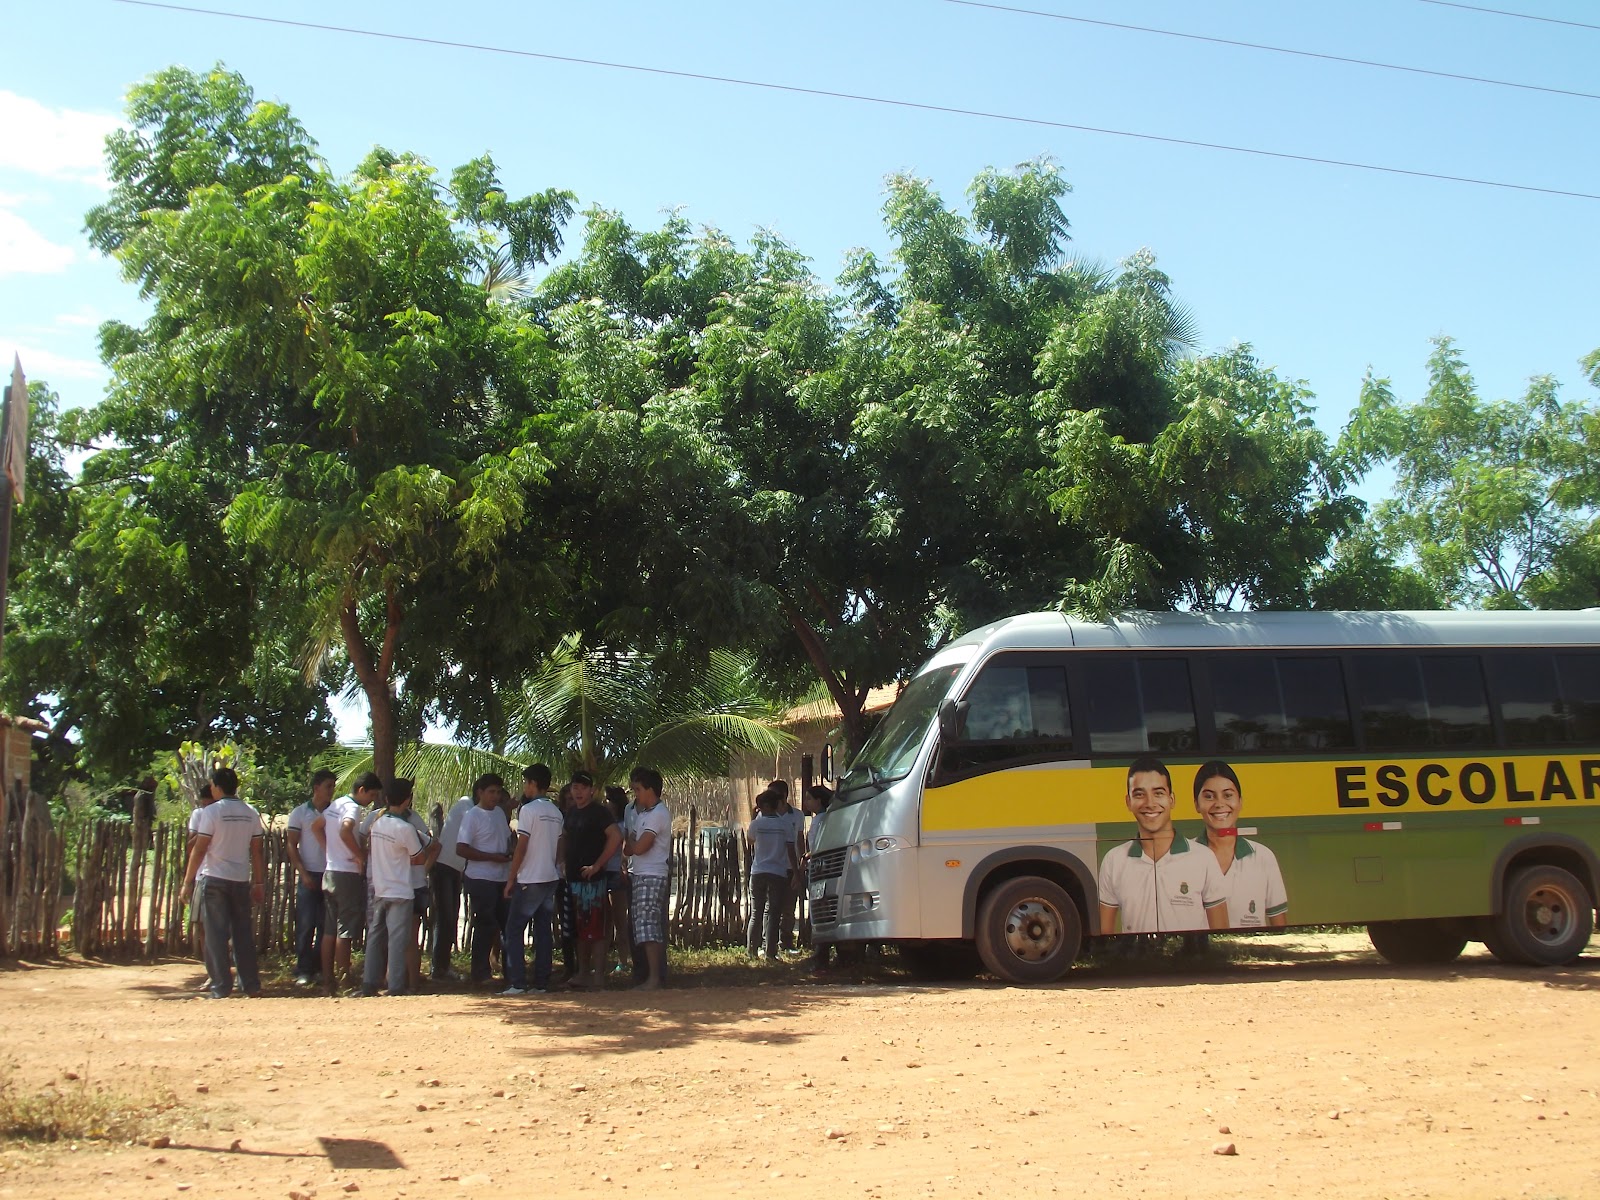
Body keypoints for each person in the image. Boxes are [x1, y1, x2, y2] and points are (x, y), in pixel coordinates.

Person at [1097, 755, 1229, 935]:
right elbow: (1105, 936)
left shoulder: (1203, 858)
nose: (1150, 803)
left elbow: (1222, 936)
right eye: (1139, 794)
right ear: (1128, 802)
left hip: (1192, 955)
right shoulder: (1114, 861)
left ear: (1171, 799)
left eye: (1158, 793)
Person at [180, 767, 265, 999]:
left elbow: (199, 848)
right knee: (242, 933)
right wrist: (259, 883)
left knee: (216, 935)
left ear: (217, 787)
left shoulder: (212, 812)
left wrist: (188, 881)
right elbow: (257, 851)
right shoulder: (250, 812)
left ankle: (220, 987)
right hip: (240, 879)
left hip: (215, 878)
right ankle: (251, 984)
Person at [1190, 760, 1288, 929]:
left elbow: (1280, 930)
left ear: (1240, 802)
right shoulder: (1183, 858)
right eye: (1209, 796)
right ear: (1197, 804)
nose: (1219, 804)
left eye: (1228, 795)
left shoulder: (1263, 857)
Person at [362, 778, 433, 997]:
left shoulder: (377, 823)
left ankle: (369, 982)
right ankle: (395, 985)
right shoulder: (406, 828)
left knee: (375, 936)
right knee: (397, 940)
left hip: (380, 887)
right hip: (401, 889)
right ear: (407, 800)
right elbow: (419, 858)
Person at [315, 771, 383, 996]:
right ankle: (345, 979)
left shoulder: (336, 804)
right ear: (361, 790)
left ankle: (328, 980)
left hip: (330, 871)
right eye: (371, 795)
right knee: (345, 929)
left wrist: (329, 851)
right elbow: (345, 831)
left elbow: (316, 826)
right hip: (347, 874)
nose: (371, 801)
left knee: (329, 929)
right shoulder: (352, 808)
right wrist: (359, 855)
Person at [501, 764, 563, 995]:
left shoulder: (528, 811)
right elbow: (559, 846)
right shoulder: (556, 812)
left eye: (526, 782)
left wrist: (511, 878)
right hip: (549, 876)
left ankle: (517, 982)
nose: (524, 787)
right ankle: (541, 983)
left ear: (533, 784)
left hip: (530, 877)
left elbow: (522, 846)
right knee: (543, 930)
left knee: (514, 929)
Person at [562, 771, 621, 989]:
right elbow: (564, 837)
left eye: (583, 787)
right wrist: (561, 862)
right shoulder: (571, 813)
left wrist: (598, 865)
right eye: (575, 787)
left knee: (597, 929)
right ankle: (583, 973)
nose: (578, 791)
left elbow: (616, 836)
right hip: (573, 879)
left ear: (592, 791)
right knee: (579, 930)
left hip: (594, 880)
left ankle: (598, 976)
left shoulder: (600, 812)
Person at [457, 772, 513, 986]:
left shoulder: (499, 813)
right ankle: (480, 973)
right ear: (480, 792)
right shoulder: (472, 815)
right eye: (491, 792)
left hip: (502, 876)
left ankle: (511, 972)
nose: (495, 796)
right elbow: (461, 848)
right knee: (485, 924)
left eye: (498, 792)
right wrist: (491, 857)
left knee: (506, 924)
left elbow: (506, 839)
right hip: (480, 877)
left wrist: (510, 852)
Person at [285, 768, 336, 986]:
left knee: (325, 924)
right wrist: (302, 872)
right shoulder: (300, 813)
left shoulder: (334, 812)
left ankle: (319, 967)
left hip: (329, 873)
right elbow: (291, 844)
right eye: (328, 786)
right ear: (316, 788)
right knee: (305, 924)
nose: (331, 791)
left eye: (333, 786)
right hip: (309, 873)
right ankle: (303, 968)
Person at [624, 766, 672, 990]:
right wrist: (632, 844)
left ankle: (654, 977)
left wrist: (632, 844)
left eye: (638, 790)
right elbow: (630, 847)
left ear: (650, 790)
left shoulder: (658, 814)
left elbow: (639, 846)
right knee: (643, 925)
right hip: (642, 873)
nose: (636, 795)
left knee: (649, 925)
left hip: (651, 874)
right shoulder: (644, 814)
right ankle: (652, 975)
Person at [746, 789, 798, 960]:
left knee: (756, 912)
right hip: (778, 872)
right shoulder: (785, 825)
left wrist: (754, 818)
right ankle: (770, 953)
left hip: (758, 871)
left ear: (765, 806)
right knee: (774, 914)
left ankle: (752, 951)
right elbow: (791, 851)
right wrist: (796, 872)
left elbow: (750, 840)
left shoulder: (756, 824)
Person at [430, 792, 473, 981]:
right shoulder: (467, 807)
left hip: (454, 869)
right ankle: (439, 967)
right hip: (444, 868)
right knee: (445, 918)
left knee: (449, 918)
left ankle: (442, 966)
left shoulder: (466, 806)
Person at [770, 779, 805, 952]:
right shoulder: (767, 815)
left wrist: (801, 865)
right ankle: (769, 941)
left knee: (789, 907)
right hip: (773, 867)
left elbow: (800, 840)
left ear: (783, 796)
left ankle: (786, 941)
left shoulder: (797, 815)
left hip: (791, 868)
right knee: (772, 906)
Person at [186, 782, 217, 968]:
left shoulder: (222, 814)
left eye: (209, 805)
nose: (206, 808)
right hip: (201, 875)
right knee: (203, 925)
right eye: (204, 805)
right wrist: (206, 829)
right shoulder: (199, 815)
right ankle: (210, 967)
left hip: (219, 874)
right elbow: (191, 846)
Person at [602, 785, 632, 979]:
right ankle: (603, 962)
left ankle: (623, 961)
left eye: (607, 799)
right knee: (605, 922)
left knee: (619, 920)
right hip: (604, 873)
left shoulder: (622, 825)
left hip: (616, 873)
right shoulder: (607, 823)